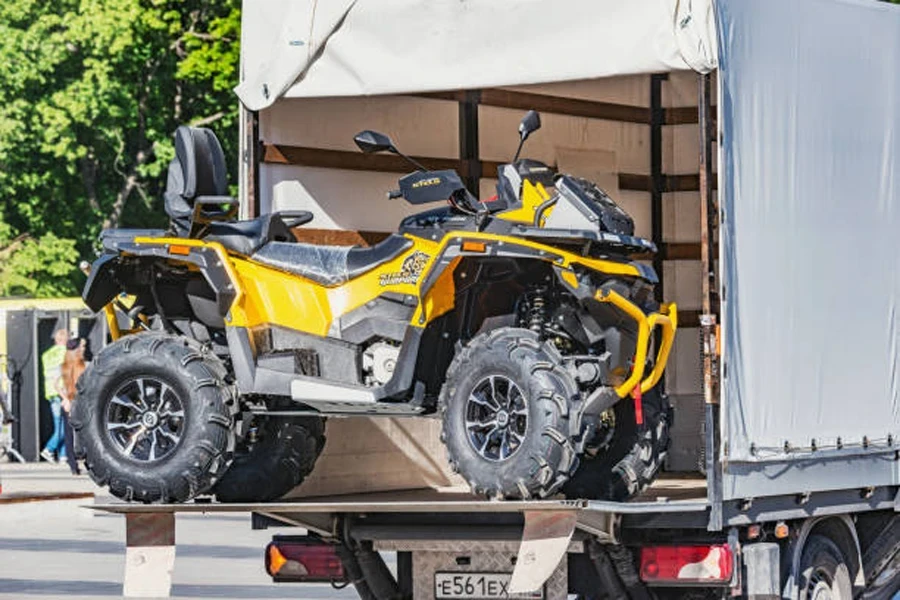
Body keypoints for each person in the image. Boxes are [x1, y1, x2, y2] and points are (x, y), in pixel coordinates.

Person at [39, 329, 68, 463]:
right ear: (64, 339)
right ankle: (49, 449)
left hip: (50, 392)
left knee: (60, 425)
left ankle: (63, 455)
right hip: (61, 392)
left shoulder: (47, 354)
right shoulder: (65, 353)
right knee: (63, 427)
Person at [59, 338, 85, 475]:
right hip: (74, 402)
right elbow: (58, 384)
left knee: (72, 434)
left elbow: (56, 384)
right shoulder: (79, 365)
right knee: (72, 434)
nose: (84, 349)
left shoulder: (67, 365)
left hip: (73, 402)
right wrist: (65, 398)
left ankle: (74, 463)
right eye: (82, 347)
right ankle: (73, 464)